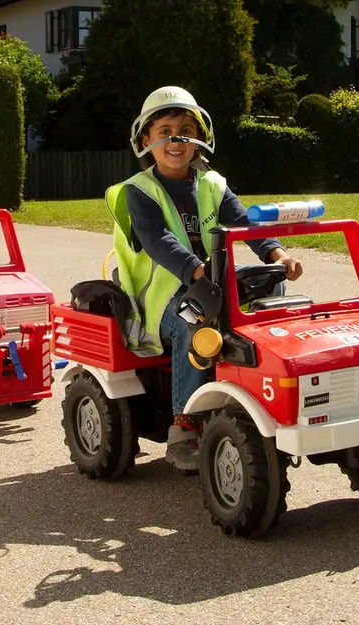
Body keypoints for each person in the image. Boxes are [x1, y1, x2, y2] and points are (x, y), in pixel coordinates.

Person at [106, 86, 304, 470]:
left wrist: (278, 254)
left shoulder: (213, 184)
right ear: (146, 140)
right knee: (193, 320)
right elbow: (159, 241)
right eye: (164, 131)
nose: (176, 139)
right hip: (163, 298)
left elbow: (246, 224)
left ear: (200, 138)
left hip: (211, 282)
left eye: (185, 129)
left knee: (271, 287)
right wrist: (198, 270)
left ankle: (263, 386)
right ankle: (184, 425)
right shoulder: (138, 192)